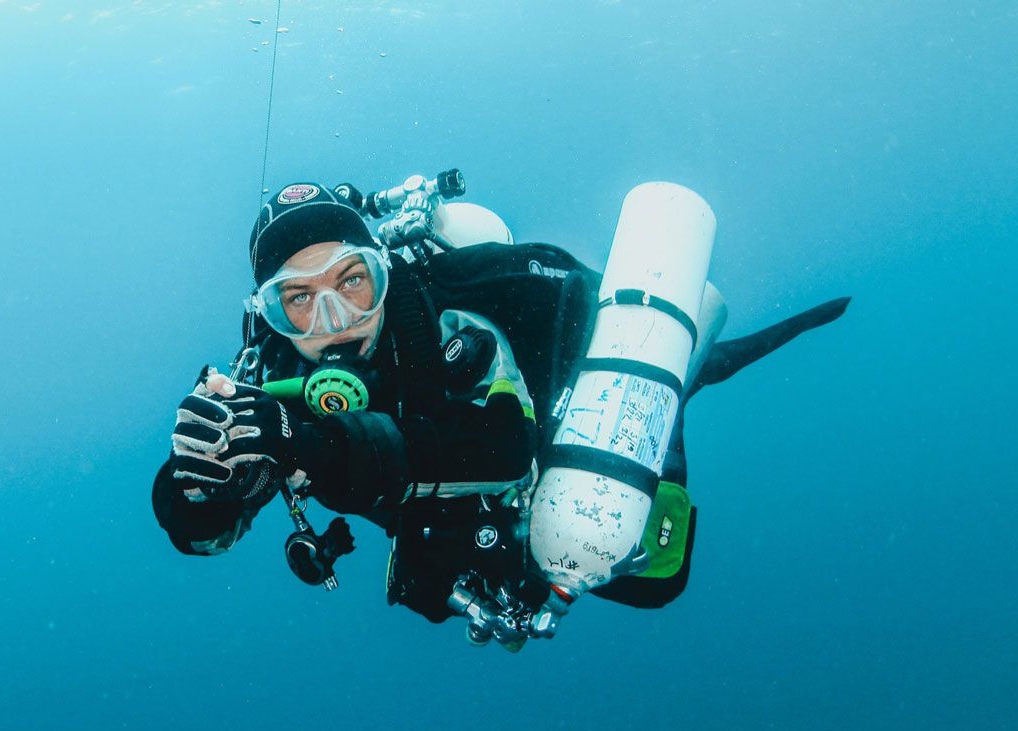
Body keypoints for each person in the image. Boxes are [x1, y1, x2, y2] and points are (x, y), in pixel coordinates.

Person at [152, 179, 849, 631]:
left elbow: (503, 448)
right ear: (269, 315)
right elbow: (205, 527)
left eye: (352, 282)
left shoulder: (448, 323)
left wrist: (305, 445)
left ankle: (683, 356)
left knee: (651, 582)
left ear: (384, 274)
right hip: (460, 510)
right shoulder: (269, 378)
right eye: (297, 300)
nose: (331, 318)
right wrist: (197, 478)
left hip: (555, 404)